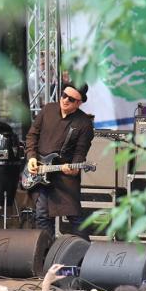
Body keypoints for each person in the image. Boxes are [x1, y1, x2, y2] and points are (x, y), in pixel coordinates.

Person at [25, 82, 94, 240]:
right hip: (40, 171)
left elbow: (80, 151)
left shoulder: (84, 123)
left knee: (74, 215)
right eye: (64, 95)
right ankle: (46, 250)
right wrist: (31, 157)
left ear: (79, 103)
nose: (65, 100)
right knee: (42, 215)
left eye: (71, 99)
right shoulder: (48, 110)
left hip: (64, 174)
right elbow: (32, 135)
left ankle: (84, 250)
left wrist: (75, 167)